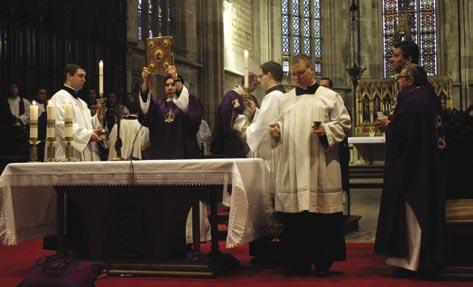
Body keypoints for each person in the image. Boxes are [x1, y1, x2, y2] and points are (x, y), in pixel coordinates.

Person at [269, 54, 351, 276]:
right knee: (296, 216)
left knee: (319, 214)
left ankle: (322, 261)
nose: (296, 77)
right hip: (293, 165)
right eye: (292, 74)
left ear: (312, 69)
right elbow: (280, 127)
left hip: (320, 164)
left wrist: (327, 131)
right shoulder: (284, 100)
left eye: (300, 73)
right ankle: (298, 261)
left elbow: (344, 123)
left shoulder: (330, 96)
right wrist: (276, 131)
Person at [374, 64, 447, 278]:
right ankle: (421, 260)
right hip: (427, 165)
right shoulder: (429, 98)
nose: (397, 81)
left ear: (411, 81)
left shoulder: (413, 102)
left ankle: (413, 262)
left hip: (413, 170)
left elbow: (402, 133)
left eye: (400, 78)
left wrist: (388, 126)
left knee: (413, 217)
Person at [245, 61, 286, 262]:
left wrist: (244, 127)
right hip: (275, 154)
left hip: (270, 157)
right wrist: (256, 113)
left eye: (261, 76)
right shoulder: (281, 96)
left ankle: (271, 250)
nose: (259, 80)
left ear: (269, 75)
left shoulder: (273, 97)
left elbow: (260, 129)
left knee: (268, 202)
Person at [139, 65, 203, 159]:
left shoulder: (190, 102)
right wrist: (145, 81)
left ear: (180, 85)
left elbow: (194, 118)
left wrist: (175, 77)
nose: (169, 87)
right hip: (161, 155)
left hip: (183, 154)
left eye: (173, 84)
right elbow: (146, 114)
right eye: (167, 85)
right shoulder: (158, 105)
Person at [46, 64, 103, 161]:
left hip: (85, 151)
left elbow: (88, 125)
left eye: (84, 77)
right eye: (80, 76)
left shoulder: (82, 102)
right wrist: (89, 135)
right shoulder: (59, 97)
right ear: (69, 76)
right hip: (67, 153)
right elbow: (62, 125)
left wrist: (99, 115)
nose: (84, 80)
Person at [212, 72, 260, 157]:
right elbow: (226, 119)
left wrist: (254, 112)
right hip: (233, 144)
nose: (256, 88)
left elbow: (258, 117)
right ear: (247, 82)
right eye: (255, 84)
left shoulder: (253, 98)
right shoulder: (230, 96)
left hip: (250, 143)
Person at [377, 40, 420, 130]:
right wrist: (389, 120)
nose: (391, 59)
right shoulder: (408, 89)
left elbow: (412, 127)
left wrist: (388, 125)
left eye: (396, 56)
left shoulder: (415, 91)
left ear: (408, 59)